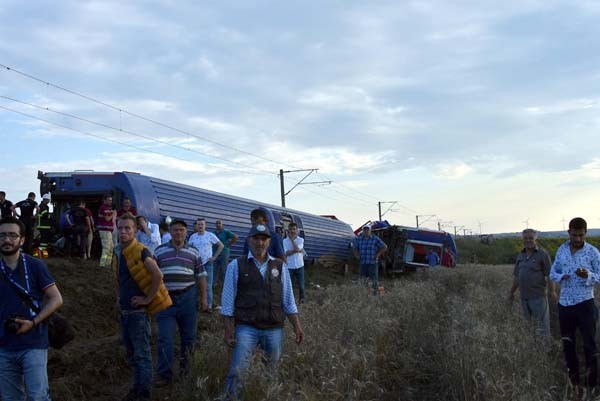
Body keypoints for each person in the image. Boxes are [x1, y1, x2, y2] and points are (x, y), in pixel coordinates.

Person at [221, 224, 304, 398]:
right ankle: (231, 397)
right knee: (238, 370)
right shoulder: (236, 266)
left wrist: (297, 326)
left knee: (271, 371)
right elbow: (227, 303)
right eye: (256, 238)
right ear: (249, 240)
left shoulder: (280, 266)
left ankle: (267, 396)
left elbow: (288, 300)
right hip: (246, 327)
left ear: (269, 241)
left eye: (264, 239)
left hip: (274, 328)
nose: (260, 243)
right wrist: (229, 330)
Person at [0, 216, 63, 401]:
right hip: (4, 345)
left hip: (33, 343)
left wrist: (34, 322)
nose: (7, 240)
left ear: (22, 239)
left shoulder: (35, 265)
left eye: (12, 235)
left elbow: (56, 299)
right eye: (2, 235)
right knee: (10, 397)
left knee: (38, 396)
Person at [112, 213, 171, 401]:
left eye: (127, 228)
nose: (123, 232)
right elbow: (120, 279)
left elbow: (158, 275)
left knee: (142, 355)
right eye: (120, 228)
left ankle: (143, 394)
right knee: (132, 355)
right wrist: (118, 298)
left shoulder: (142, 251)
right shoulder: (119, 252)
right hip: (125, 312)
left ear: (135, 231)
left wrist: (147, 299)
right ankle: (137, 389)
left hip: (138, 314)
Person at [153, 218, 207, 387]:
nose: (178, 233)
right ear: (170, 231)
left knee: (189, 338)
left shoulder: (194, 252)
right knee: (165, 339)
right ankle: (164, 375)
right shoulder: (159, 251)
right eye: (175, 230)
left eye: (181, 230)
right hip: (165, 300)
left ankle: (186, 372)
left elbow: (201, 276)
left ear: (186, 232)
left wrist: (204, 298)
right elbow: (152, 276)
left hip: (188, 299)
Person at [550, 217, 600, 394]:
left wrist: (587, 275)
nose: (577, 239)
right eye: (574, 235)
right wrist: (560, 276)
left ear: (585, 233)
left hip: (585, 304)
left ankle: (593, 385)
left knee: (589, 345)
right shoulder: (561, 250)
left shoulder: (593, 252)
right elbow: (553, 272)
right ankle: (575, 385)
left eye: (581, 235)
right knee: (568, 345)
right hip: (565, 305)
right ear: (569, 232)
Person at [509, 228, 556, 337]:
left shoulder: (542, 254)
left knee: (542, 328)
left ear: (535, 239)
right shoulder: (520, 255)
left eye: (531, 238)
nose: (528, 240)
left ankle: (545, 352)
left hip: (538, 297)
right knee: (528, 327)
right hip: (524, 297)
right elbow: (517, 276)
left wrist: (552, 291)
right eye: (525, 238)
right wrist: (511, 292)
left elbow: (550, 274)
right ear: (522, 239)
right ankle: (533, 351)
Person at [188, 218, 224, 311]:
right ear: (196, 226)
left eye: (202, 224)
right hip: (195, 264)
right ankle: (196, 305)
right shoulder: (193, 237)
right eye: (198, 224)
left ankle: (209, 306)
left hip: (207, 264)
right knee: (194, 285)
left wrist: (214, 257)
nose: (200, 226)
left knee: (208, 285)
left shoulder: (210, 235)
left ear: (205, 226)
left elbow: (221, 245)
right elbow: (188, 248)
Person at [353, 226, 387, 295]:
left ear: (370, 231)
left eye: (367, 230)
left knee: (374, 280)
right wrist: (356, 255)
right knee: (362, 279)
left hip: (373, 263)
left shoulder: (375, 239)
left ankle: (378, 295)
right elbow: (354, 248)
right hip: (363, 263)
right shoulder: (359, 239)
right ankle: (364, 294)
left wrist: (378, 255)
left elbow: (384, 247)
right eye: (364, 230)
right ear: (363, 231)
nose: (366, 231)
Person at [283, 222, 305, 303]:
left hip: (300, 266)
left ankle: (302, 300)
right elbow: (285, 253)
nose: (292, 231)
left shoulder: (301, 240)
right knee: (290, 286)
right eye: (290, 229)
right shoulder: (284, 241)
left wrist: (292, 240)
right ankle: (290, 301)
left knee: (301, 285)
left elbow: (298, 249)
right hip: (290, 266)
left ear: (297, 230)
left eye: (294, 229)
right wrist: (296, 250)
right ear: (288, 230)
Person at [213, 219, 238, 287]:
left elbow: (235, 237)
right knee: (214, 269)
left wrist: (229, 244)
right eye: (217, 223)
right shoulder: (213, 233)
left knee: (224, 270)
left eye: (219, 223)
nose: (218, 224)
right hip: (215, 254)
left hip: (224, 254)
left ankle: (225, 285)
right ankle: (214, 284)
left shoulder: (226, 232)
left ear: (222, 224)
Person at [97, 194, 117, 267]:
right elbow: (107, 219)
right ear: (104, 200)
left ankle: (107, 264)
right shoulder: (103, 208)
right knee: (106, 247)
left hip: (109, 231)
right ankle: (102, 264)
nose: (110, 202)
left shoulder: (108, 208)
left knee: (111, 247)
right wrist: (113, 213)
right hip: (104, 230)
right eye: (109, 200)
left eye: (111, 200)